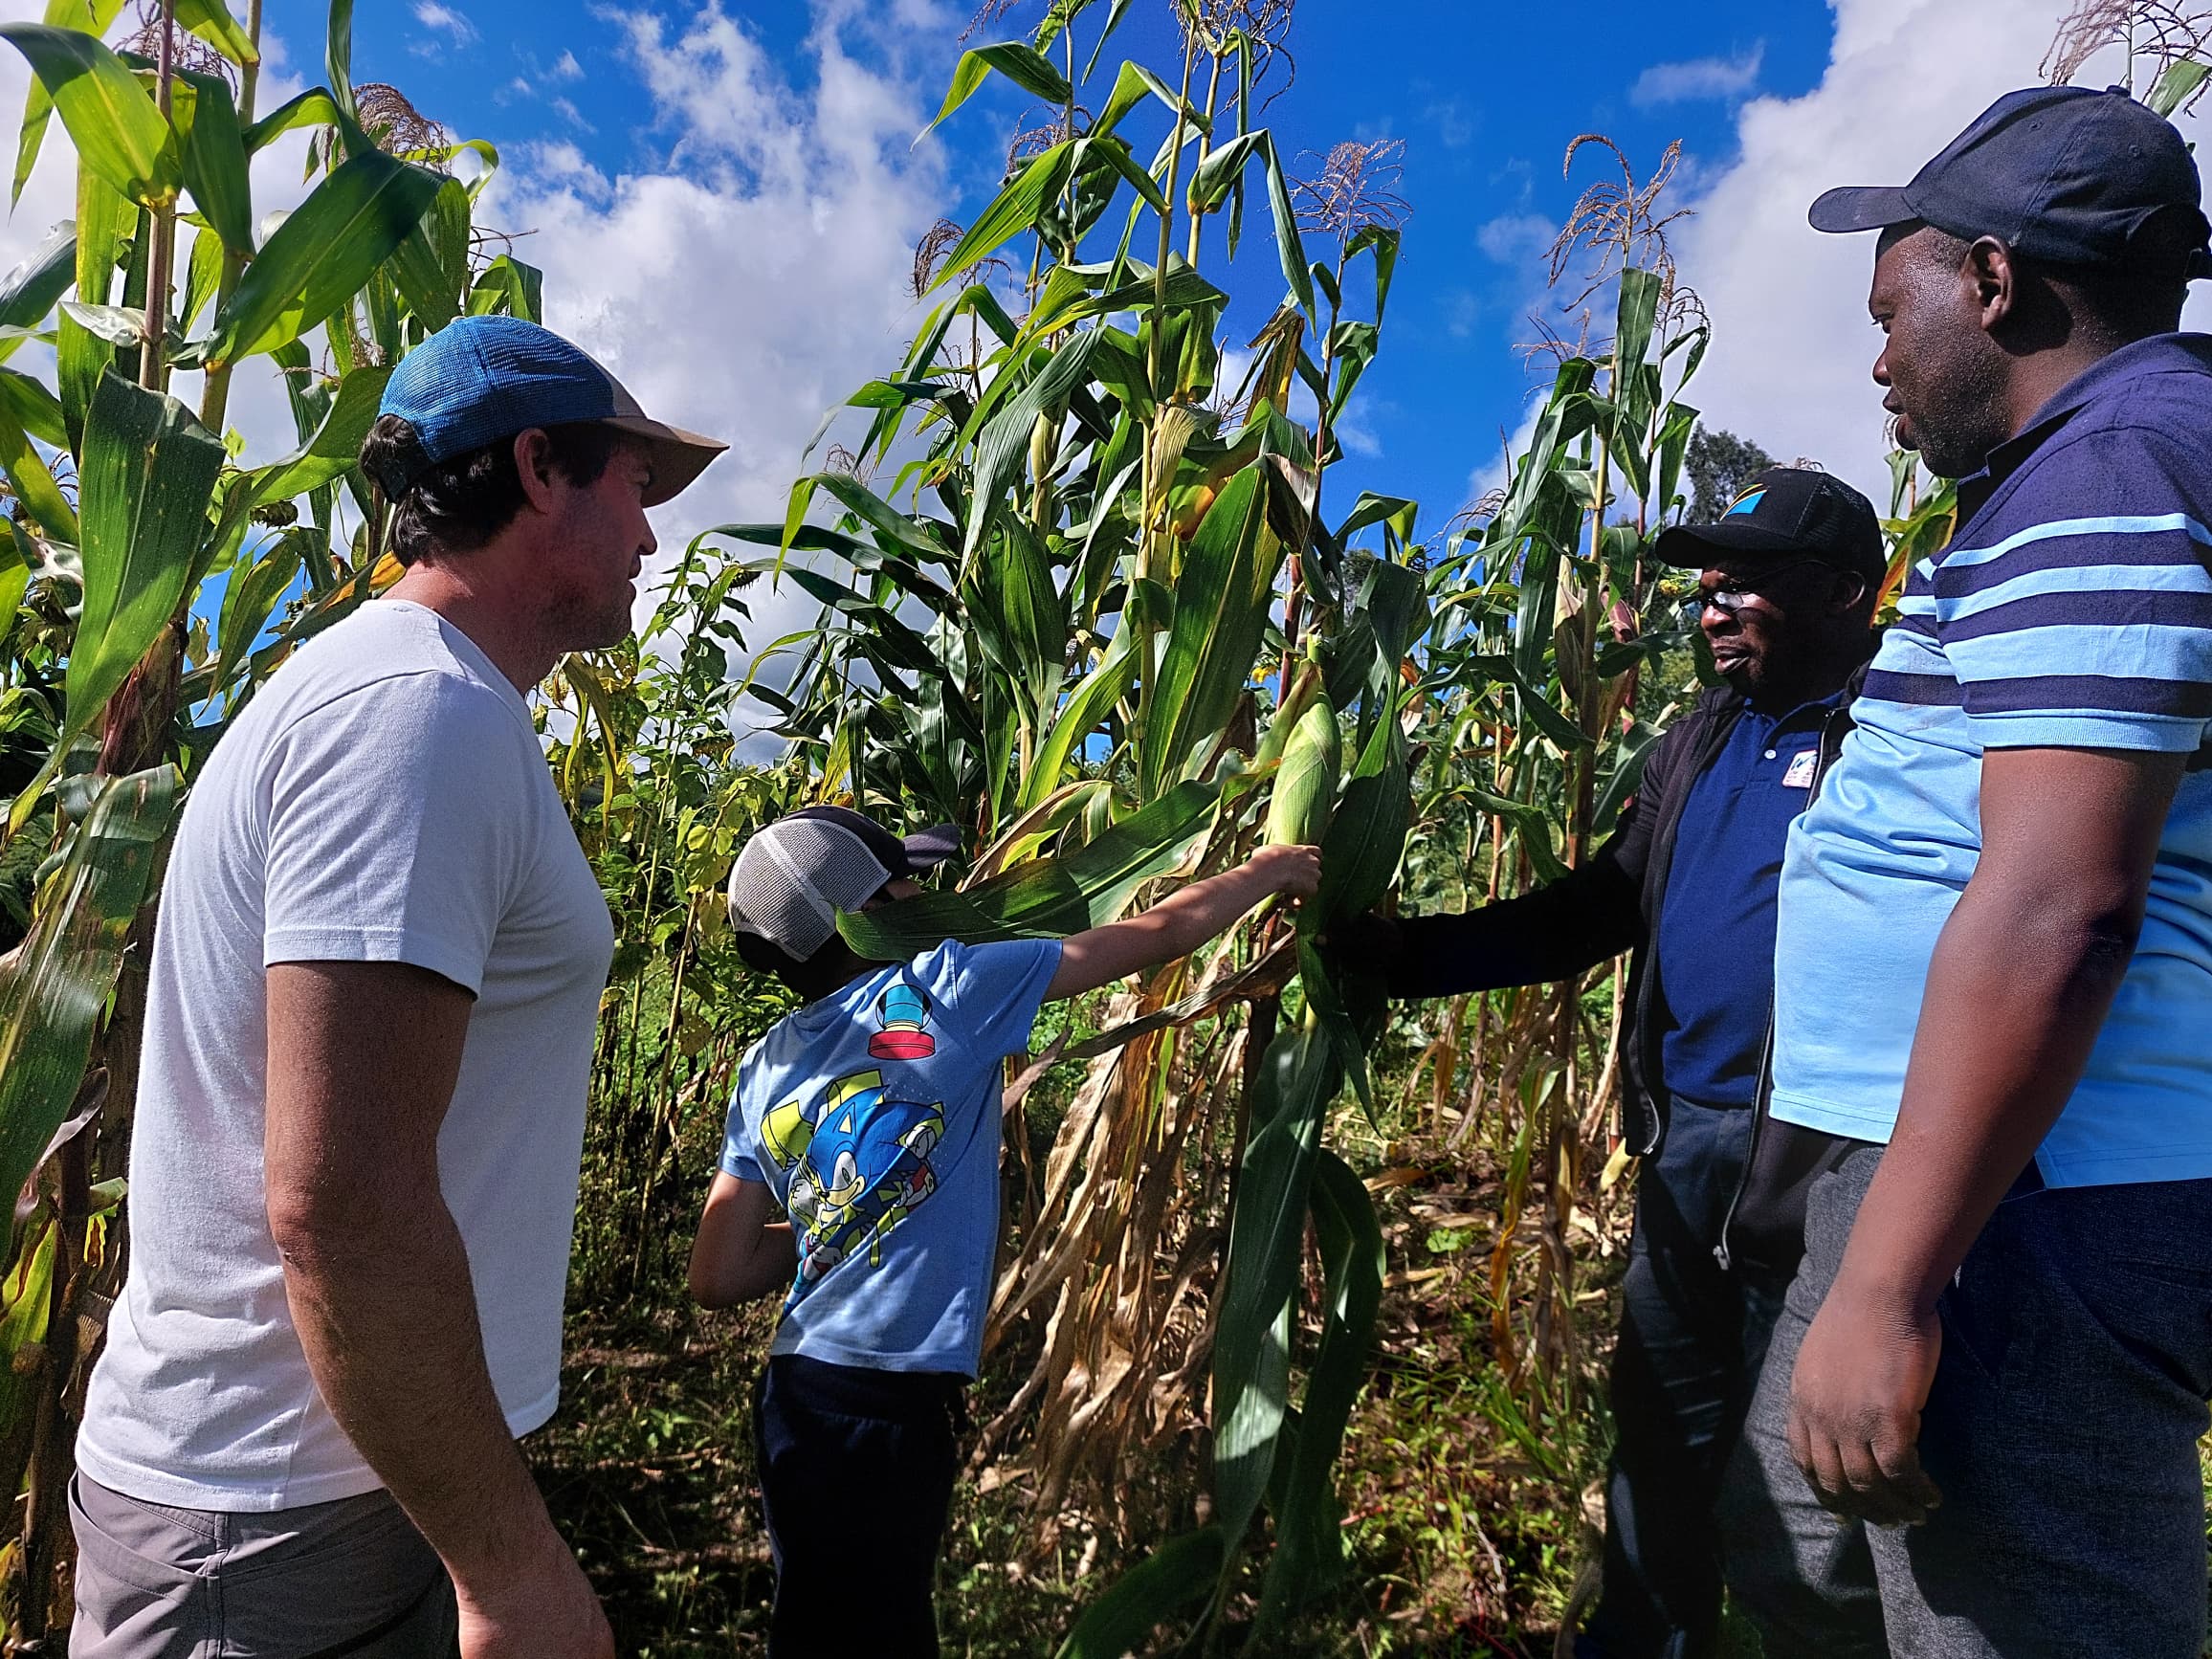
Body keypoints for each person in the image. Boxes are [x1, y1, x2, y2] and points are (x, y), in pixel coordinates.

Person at [68, 315, 725, 1658]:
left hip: (329, 1490)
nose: (653, 536)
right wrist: (514, 1570)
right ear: (537, 466)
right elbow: (344, 1203)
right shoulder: (416, 713)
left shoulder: (413, 701)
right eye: (634, 484)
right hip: (269, 1532)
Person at [1722, 85, 2212, 1658]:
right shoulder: (2115, 457)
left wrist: (1888, 1284)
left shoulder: (2110, 463)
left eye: (1890, 313)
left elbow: (2060, 903)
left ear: (1992, 282)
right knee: (1821, 1558)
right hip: (1984, 1177)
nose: (1878, 361)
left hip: (2026, 1198)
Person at [1329, 467, 1883, 1659]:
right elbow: (1603, 904)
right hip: (1687, 1141)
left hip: (1837, 1161)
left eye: (1741, 585)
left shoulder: (1904, 732)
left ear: (1843, 592)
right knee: (1658, 1446)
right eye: (1703, 586)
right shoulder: (1699, 739)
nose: (1708, 608)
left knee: (1801, 1501)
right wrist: (1401, 957)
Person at [689, 808, 1321, 1657]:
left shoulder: (765, 1063)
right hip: (894, 1403)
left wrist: (839, 1220)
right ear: (868, 914)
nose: (932, 895)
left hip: (798, 1395)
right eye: (910, 883)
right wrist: (1267, 870)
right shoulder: (947, 990)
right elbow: (1157, 935)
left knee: (815, 1624)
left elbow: (718, 1273)